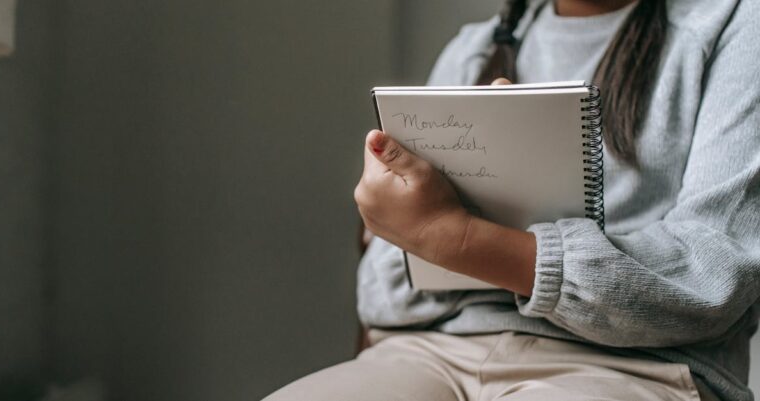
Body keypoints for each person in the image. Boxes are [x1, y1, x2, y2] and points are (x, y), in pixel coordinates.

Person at [264, 0, 760, 400]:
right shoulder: (473, 50)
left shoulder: (732, 22)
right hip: (435, 351)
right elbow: (380, 297)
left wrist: (455, 238)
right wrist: (402, 225)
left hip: (633, 369)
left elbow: (714, 276)